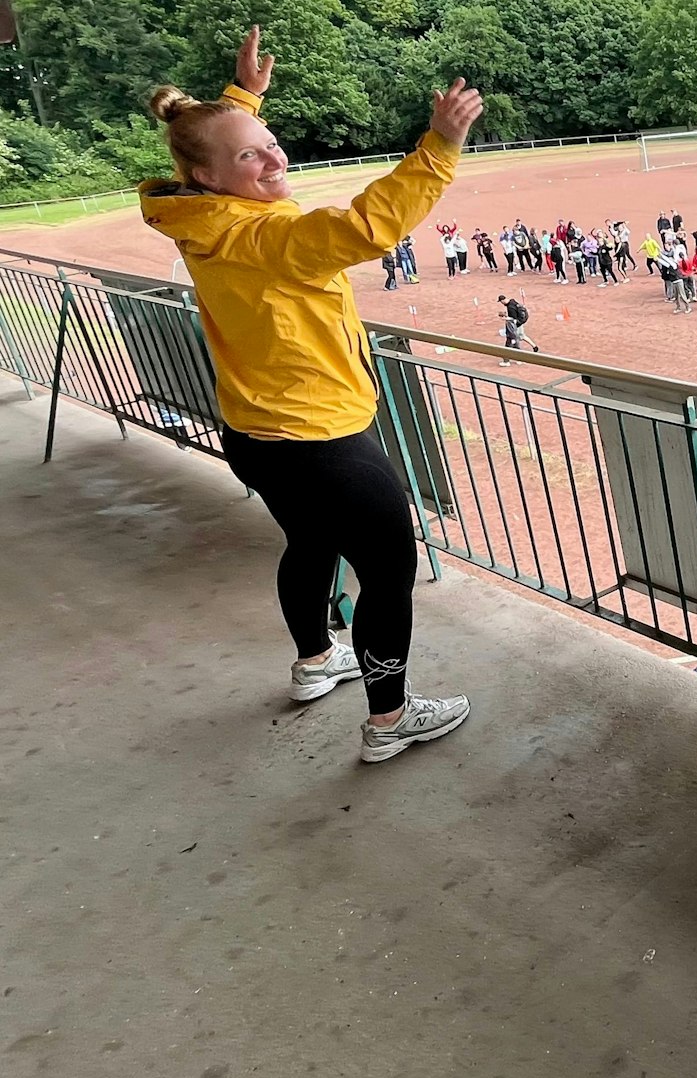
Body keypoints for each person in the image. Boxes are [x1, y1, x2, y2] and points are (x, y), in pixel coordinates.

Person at [138, 28, 478, 761]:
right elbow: (365, 226)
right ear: (206, 175)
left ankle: (316, 660)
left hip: (255, 433)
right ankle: (390, 721)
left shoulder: (197, 217)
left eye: (269, 141)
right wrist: (439, 147)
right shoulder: (265, 238)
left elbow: (213, 150)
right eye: (249, 155)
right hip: (320, 439)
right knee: (390, 572)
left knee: (312, 543)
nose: (273, 157)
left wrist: (238, 104)